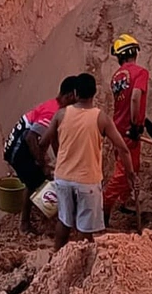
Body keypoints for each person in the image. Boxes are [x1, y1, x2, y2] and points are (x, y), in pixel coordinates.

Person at [40, 73, 132, 251]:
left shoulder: (61, 114)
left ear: (75, 93)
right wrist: (130, 174)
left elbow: (44, 141)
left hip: (63, 178)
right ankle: (79, 259)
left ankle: (56, 257)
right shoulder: (101, 118)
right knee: (85, 228)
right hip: (87, 181)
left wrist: (49, 162)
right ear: (94, 93)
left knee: (64, 221)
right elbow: (123, 148)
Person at [2, 76, 78, 233]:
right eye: (76, 99)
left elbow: (52, 139)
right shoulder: (52, 112)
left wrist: (60, 162)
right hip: (19, 148)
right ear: (70, 96)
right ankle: (37, 223)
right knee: (39, 183)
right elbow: (31, 137)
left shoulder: (54, 106)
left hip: (19, 145)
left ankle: (32, 219)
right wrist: (42, 163)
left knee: (36, 180)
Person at [102, 33, 150, 226]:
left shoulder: (116, 76)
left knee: (126, 166)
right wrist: (135, 125)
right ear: (134, 52)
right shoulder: (141, 73)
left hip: (117, 128)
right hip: (130, 131)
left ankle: (124, 200)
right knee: (125, 171)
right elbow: (135, 97)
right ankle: (104, 206)